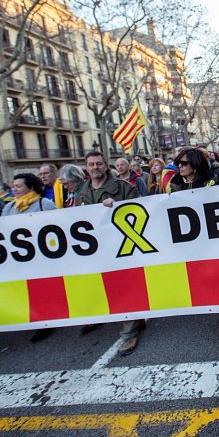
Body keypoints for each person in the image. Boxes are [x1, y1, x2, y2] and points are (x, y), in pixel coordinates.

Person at [76, 151, 143, 354]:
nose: (95, 167)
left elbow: (139, 212)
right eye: (91, 164)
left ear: (106, 165)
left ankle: (129, 334)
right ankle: (134, 319)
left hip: (122, 248)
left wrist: (117, 208)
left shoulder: (124, 188)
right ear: (86, 167)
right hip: (95, 251)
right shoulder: (82, 192)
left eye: (98, 164)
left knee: (125, 290)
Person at [168, 147, 219, 342]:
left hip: (215, 237)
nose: (179, 166)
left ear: (195, 165)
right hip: (190, 241)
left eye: (184, 163)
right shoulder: (175, 183)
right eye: (178, 162)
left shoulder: (215, 179)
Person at [1, 173, 58, 342]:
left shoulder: (44, 204)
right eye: (14, 186)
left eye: (18, 186)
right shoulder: (9, 208)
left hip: (43, 256)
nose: (15, 189)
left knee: (44, 288)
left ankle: (49, 320)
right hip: (21, 258)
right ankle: (40, 320)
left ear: (31, 187)